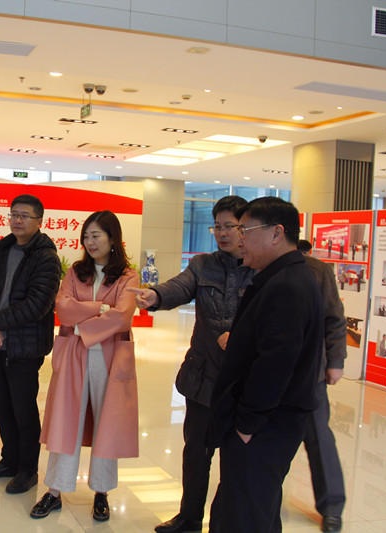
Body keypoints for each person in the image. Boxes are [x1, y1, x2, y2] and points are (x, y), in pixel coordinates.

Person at [131, 195, 253, 533]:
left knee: (236, 458)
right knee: (196, 452)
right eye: (217, 226)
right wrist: (155, 295)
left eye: (230, 226)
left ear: (245, 228)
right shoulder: (203, 264)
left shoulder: (261, 267)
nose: (222, 233)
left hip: (243, 381)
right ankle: (189, 518)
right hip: (203, 375)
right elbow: (180, 287)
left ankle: (225, 522)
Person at [207, 197, 324, 533]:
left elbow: (275, 365)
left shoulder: (287, 285)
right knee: (254, 509)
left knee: (245, 516)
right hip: (265, 425)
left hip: (264, 427)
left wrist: (247, 425)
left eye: (245, 230)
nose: (239, 238)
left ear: (276, 233)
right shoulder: (282, 277)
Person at [31, 211, 139, 522]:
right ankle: (54, 490)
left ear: (113, 238)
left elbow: (122, 316)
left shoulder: (128, 276)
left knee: (108, 423)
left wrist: (82, 324)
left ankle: (101, 491)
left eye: (96, 236)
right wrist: (100, 308)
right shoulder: (76, 272)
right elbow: (63, 307)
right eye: (86, 236)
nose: (90, 242)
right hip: (74, 356)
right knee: (66, 422)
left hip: (111, 358)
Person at [0, 194, 62, 494]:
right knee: (1, 406)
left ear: (39, 221)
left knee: (23, 410)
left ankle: (28, 470)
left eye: (25, 215)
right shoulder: (2, 249)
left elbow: (38, 304)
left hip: (25, 347)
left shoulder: (46, 257)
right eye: (14, 214)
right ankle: (9, 461)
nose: (18, 220)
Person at [298, 239, 348, 532]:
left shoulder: (317, 270)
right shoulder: (255, 267)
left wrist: (335, 361)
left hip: (311, 374)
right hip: (268, 374)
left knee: (319, 438)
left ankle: (331, 508)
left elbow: (335, 319)